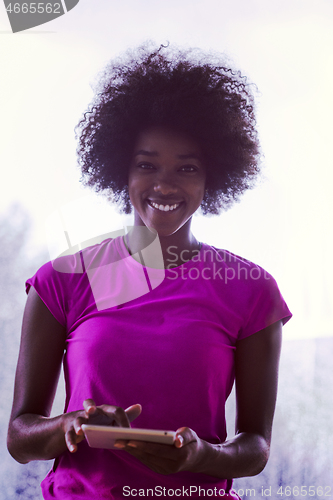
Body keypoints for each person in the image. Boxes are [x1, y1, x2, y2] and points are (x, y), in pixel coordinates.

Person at [7, 43, 292, 499]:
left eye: (187, 168)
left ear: (211, 177)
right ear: (121, 167)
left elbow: (256, 446)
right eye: (147, 165)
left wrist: (204, 457)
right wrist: (69, 425)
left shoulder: (252, 291)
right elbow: (20, 439)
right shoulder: (60, 281)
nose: (164, 184)